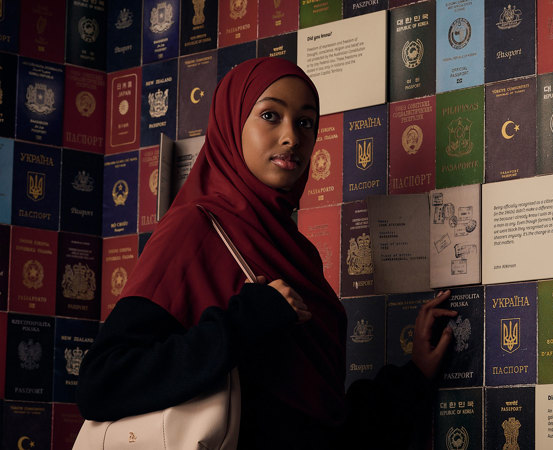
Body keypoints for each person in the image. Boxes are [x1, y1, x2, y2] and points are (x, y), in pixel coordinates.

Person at [77, 57, 456, 449]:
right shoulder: (196, 229)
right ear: (231, 124)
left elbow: (315, 421)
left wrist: (414, 375)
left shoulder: (296, 253)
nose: (292, 136)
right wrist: (245, 320)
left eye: (306, 122)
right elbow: (102, 382)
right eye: (271, 115)